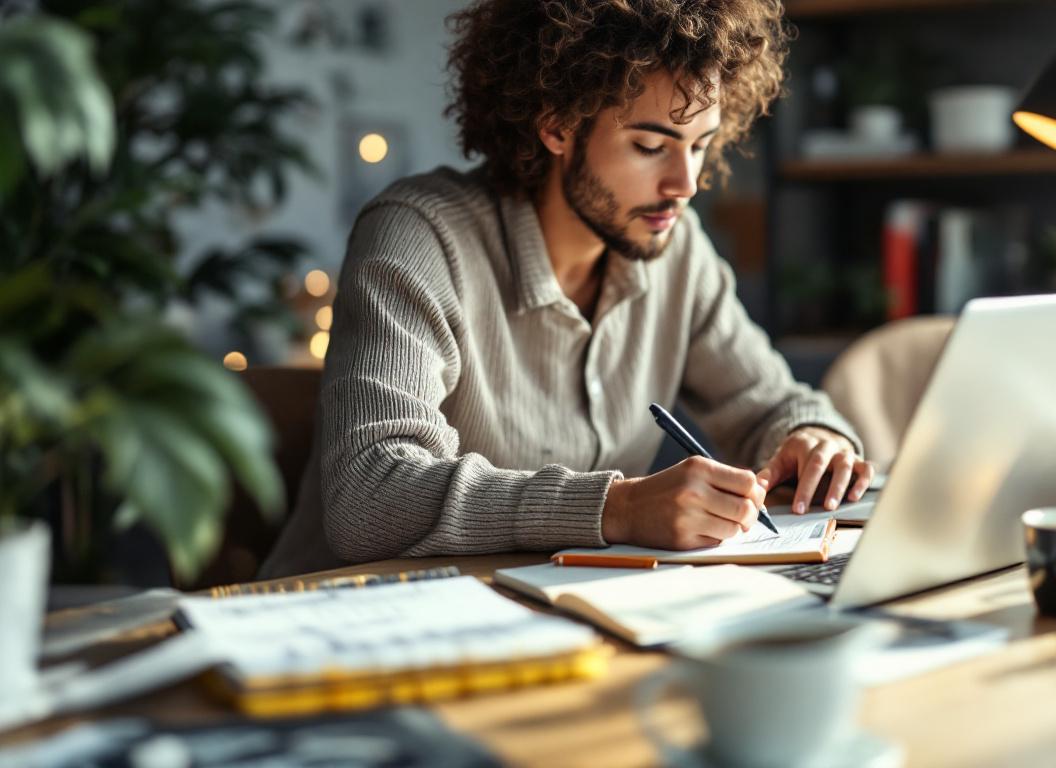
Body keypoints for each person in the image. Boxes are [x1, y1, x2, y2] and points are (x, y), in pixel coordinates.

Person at [260, 0, 875, 578]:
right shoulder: (420, 236)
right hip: (344, 624)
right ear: (557, 125)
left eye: (701, 145)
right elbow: (369, 493)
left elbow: (769, 403)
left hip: (547, 618)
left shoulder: (674, 248)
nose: (684, 185)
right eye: (650, 145)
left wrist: (814, 438)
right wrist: (618, 508)